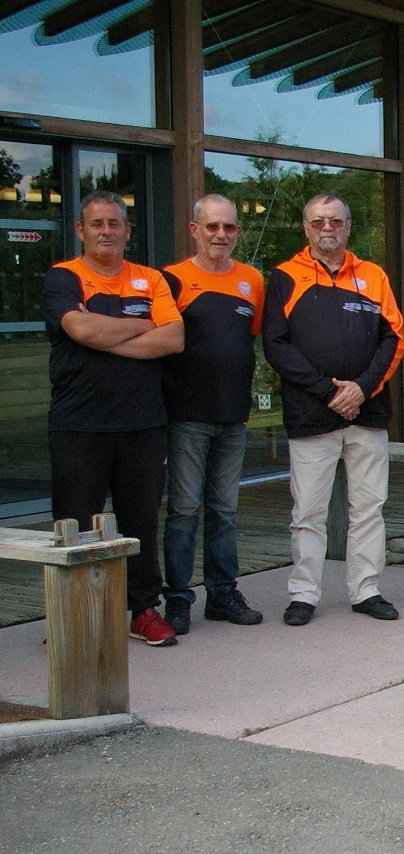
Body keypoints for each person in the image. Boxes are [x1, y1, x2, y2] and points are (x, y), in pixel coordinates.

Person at [43, 190, 185, 646]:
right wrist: (146, 324)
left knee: (140, 521)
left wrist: (105, 335)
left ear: (127, 230)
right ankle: (73, 618)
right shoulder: (64, 277)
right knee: (75, 524)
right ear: (80, 231)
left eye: (115, 223)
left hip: (143, 423)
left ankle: (143, 610)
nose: (106, 231)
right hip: (78, 423)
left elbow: (175, 339)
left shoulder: (151, 279)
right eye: (97, 223)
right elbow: (79, 328)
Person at [264, 193, 404, 626]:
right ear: (306, 228)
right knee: (307, 510)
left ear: (348, 227)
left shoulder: (373, 275)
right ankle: (304, 594)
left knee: (369, 506)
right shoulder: (285, 277)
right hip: (312, 414)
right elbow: (276, 345)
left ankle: (366, 589)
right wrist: (329, 392)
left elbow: (393, 338)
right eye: (318, 221)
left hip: (367, 412)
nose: (328, 228)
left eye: (336, 221)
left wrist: (361, 389)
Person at [160, 193, 265, 634]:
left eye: (229, 228)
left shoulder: (252, 280)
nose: (221, 235)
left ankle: (222, 594)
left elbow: (251, 337)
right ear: (194, 229)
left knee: (224, 510)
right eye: (212, 227)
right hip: (187, 415)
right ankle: (179, 599)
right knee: (184, 510)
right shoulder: (171, 280)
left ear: (238, 232)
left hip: (232, 415)